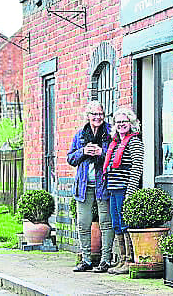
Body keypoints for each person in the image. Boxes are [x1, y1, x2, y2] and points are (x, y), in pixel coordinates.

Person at [67, 101, 114, 273]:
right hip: (84, 186)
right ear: (88, 116)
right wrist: (83, 152)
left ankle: (106, 260)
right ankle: (86, 259)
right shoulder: (80, 135)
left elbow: (116, 155)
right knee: (83, 222)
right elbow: (70, 159)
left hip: (104, 184)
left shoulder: (110, 132)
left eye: (100, 114)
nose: (98, 117)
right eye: (94, 114)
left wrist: (102, 153)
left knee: (106, 222)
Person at [103, 107, 144, 274]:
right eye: (118, 122)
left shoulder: (134, 142)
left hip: (124, 189)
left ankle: (129, 260)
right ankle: (122, 259)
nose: (121, 125)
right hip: (113, 189)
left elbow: (137, 167)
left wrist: (131, 191)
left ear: (131, 123)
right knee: (116, 224)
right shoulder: (115, 143)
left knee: (126, 223)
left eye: (124, 122)